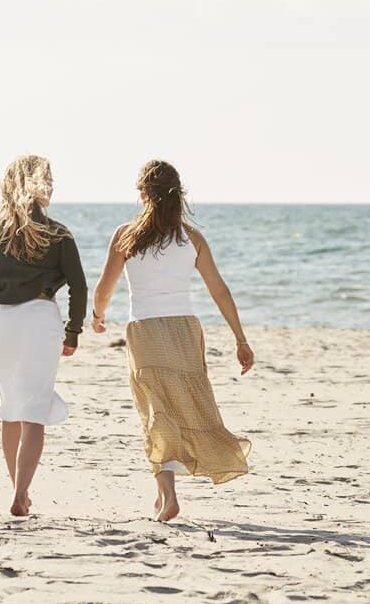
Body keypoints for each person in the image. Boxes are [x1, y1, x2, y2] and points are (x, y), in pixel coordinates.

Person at [91, 159, 253, 522]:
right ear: (178, 194)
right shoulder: (191, 238)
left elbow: (105, 288)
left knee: (155, 409)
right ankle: (166, 491)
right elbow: (219, 290)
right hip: (184, 330)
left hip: (145, 331)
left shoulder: (126, 235)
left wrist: (97, 317)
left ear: (142, 193)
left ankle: (167, 494)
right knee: (187, 404)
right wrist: (240, 339)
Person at [0, 154, 86, 517]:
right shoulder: (59, 233)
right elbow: (79, 286)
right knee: (34, 411)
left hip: (2, 323)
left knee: (10, 409)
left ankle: (17, 490)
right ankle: (22, 491)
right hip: (40, 320)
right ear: (45, 186)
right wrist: (74, 330)